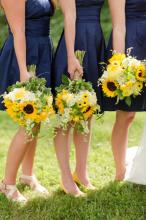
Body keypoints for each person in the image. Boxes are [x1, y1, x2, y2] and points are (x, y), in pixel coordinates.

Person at [0, 0, 82, 202]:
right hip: (24, 55)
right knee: (29, 121)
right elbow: (18, 31)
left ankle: (27, 175)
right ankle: (7, 184)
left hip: (43, 50)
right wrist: (23, 71)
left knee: (37, 117)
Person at [53, 0, 106, 196]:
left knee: (87, 112)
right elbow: (69, 15)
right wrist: (70, 56)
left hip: (94, 42)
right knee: (66, 115)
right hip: (75, 45)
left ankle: (81, 173)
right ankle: (66, 178)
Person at [104, 0, 146, 181]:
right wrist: (119, 65)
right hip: (132, 44)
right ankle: (120, 170)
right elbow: (118, 26)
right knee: (126, 114)